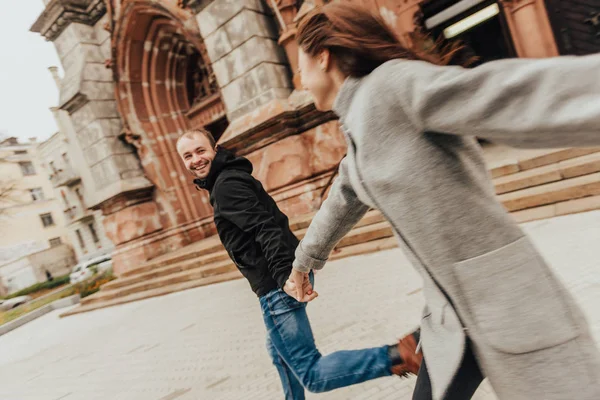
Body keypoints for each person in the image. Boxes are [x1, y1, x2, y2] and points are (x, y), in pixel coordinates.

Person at [288, 3, 600, 400]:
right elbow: (340, 201)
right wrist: (303, 265)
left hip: (508, 301)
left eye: (301, 68)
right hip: (450, 317)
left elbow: (506, 94)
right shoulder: (357, 129)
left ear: (323, 56)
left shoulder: (391, 86)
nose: (301, 80)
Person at [175, 128, 422, 400]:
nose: (195, 159)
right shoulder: (229, 178)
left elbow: (265, 228)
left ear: (215, 149)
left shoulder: (225, 187)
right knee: (279, 352)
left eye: (200, 151)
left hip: (278, 285)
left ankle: (401, 354)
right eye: (188, 156)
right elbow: (273, 221)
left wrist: (286, 277)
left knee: (312, 374)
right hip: (284, 275)